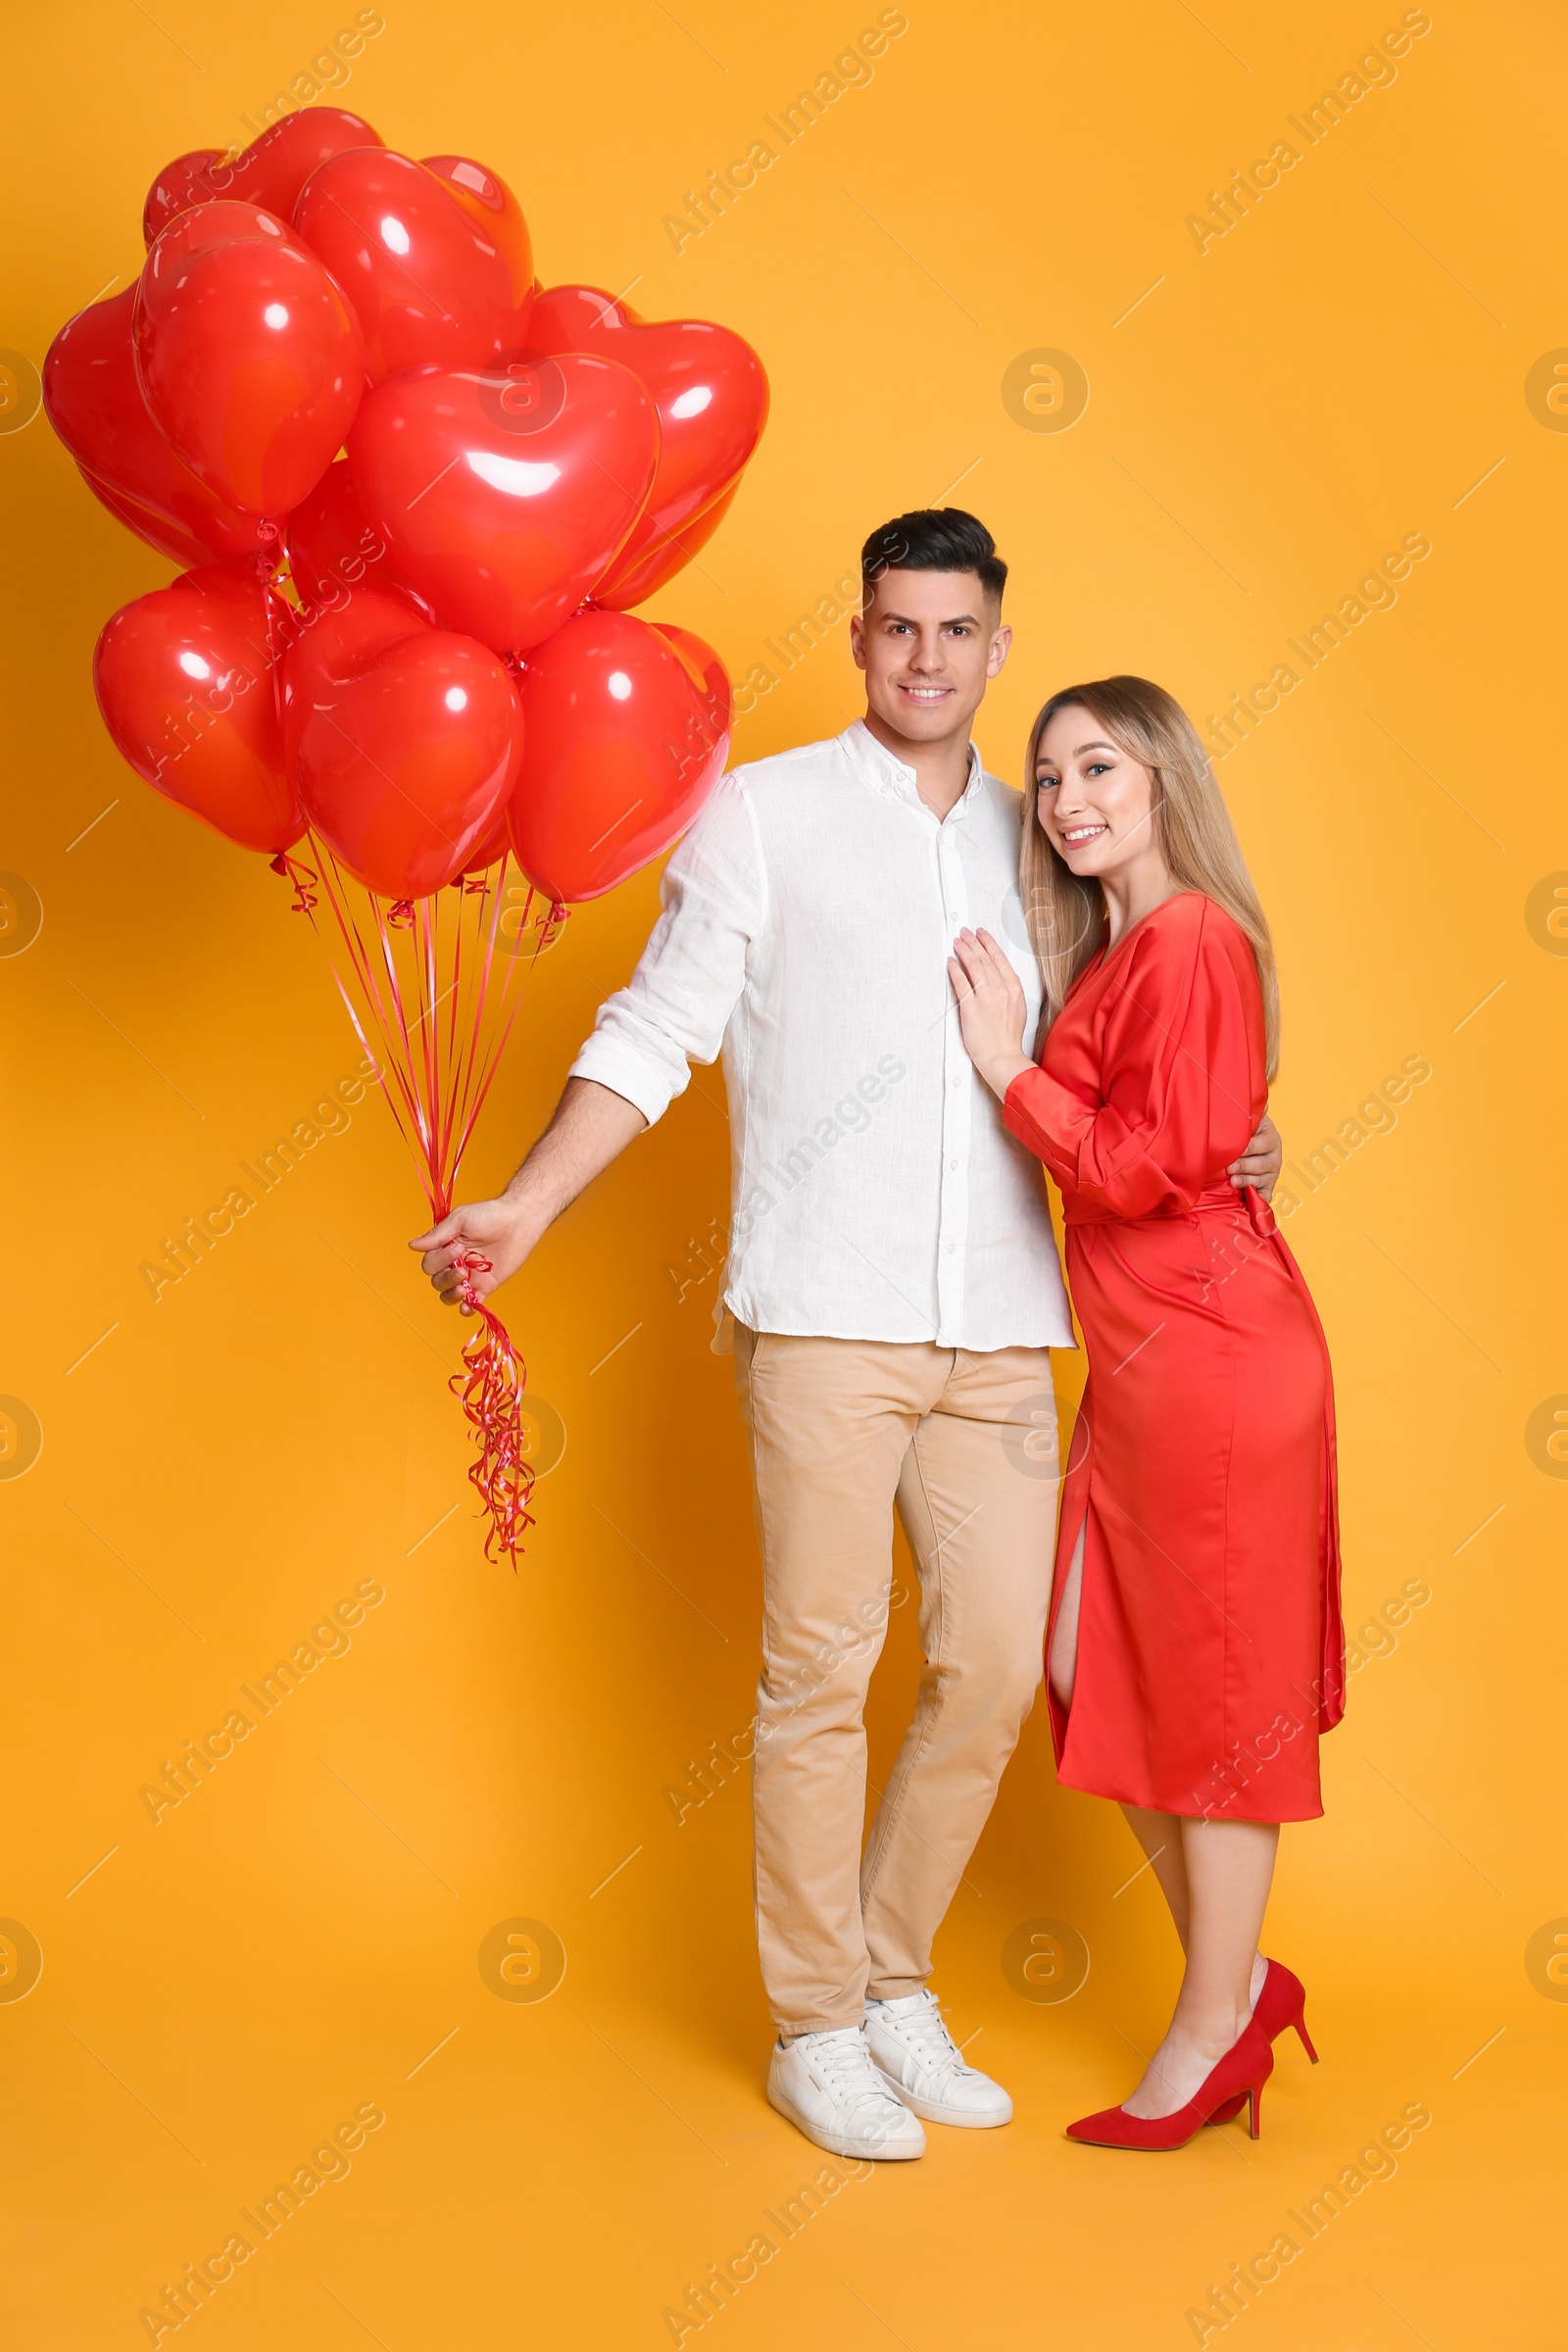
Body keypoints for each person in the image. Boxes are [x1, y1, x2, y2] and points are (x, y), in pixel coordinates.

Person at [412, 520, 1283, 2162]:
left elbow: (1152, 1057)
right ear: (863, 638)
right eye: (899, 630)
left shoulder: (1053, 843)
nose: (928, 660)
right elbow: (658, 1023)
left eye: (958, 631)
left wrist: (1241, 1138)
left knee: (988, 1672)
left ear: (999, 642)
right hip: (823, 1316)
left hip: (1008, 1330)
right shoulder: (764, 816)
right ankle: (817, 2021)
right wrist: (530, 1205)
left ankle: (892, 1979)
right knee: (818, 1675)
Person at [947, 674, 1343, 2150]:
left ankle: (1205, 2025)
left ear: (1166, 775)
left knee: (1218, 1702)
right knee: (1083, 1662)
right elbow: (1186, 1139)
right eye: (1048, 781)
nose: (1067, 803)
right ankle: (1236, 1988)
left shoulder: (1190, 937)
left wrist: (1007, 1075)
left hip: (1218, 1359)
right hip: (1147, 1364)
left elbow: (1136, 1168)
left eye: (1097, 767)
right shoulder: (1122, 956)